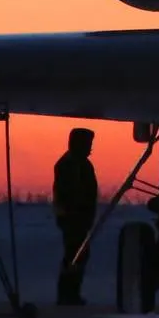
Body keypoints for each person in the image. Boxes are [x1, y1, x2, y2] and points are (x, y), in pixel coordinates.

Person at [52, 127, 98, 306]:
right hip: (72, 218)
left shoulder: (81, 164)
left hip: (79, 218)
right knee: (74, 254)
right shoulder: (70, 164)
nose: (90, 147)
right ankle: (67, 293)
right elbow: (71, 193)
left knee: (78, 254)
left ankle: (71, 292)